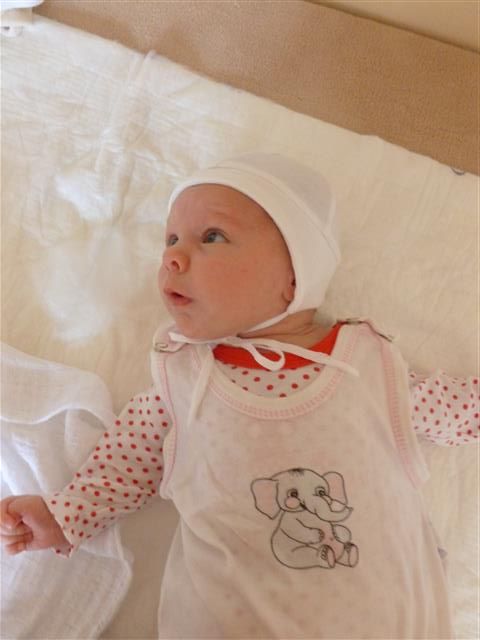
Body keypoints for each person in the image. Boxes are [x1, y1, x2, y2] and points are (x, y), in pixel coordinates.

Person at [0, 152, 478, 639]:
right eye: (170, 240)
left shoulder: (367, 369)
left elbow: (456, 410)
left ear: (294, 276)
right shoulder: (182, 382)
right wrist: (65, 515)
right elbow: (125, 464)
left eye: (212, 237)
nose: (172, 258)